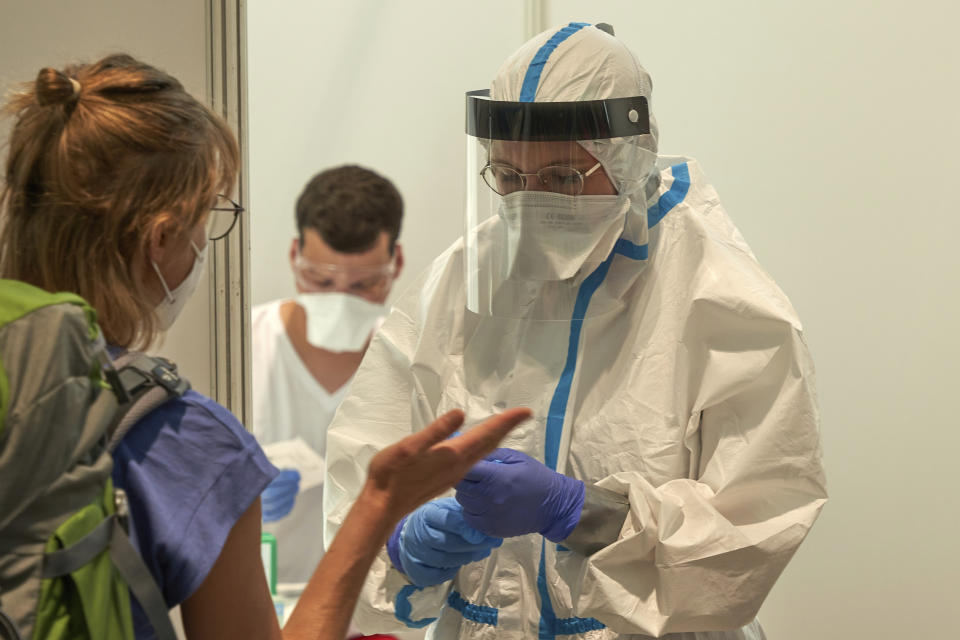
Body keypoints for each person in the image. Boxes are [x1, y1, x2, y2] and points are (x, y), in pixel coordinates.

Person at [0, 53, 530, 640]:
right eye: (209, 217)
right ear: (162, 238)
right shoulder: (181, 440)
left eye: (362, 283)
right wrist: (379, 503)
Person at [324, 22, 828, 639]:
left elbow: (758, 524)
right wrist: (401, 537)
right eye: (509, 178)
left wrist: (583, 513)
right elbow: (367, 457)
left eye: (564, 178)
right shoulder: (461, 280)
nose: (531, 202)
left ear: (626, 157)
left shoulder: (718, 297)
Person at [252, 165, 404, 585]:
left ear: (397, 264)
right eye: (320, 280)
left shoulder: (410, 363)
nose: (339, 302)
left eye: (363, 286)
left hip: (372, 614)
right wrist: (232, 501)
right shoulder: (241, 351)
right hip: (263, 609)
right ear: (293, 257)